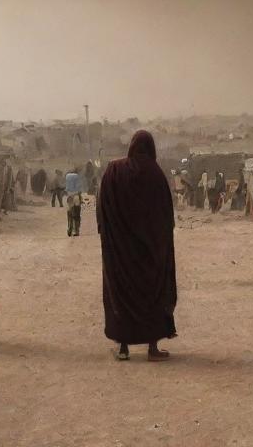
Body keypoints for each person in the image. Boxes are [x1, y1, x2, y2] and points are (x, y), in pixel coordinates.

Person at [97, 130, 177, 362]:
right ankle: (152, 348)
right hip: (150, 254)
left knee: (121, 294)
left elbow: (103, 210)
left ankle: (123, 348)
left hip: (120, 254)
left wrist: (111, 239)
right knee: (151, 294)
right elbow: (165, 217)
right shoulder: (156, 174)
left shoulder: (113, 171)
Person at [65, 171, 83, 236]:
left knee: (70, 214)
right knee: (76, 215)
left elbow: (66, 189)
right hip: (76, 197)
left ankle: (69, 229)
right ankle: (76, 231)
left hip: (69, 197)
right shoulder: (77, 177)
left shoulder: (67, 177)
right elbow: (79, 190)